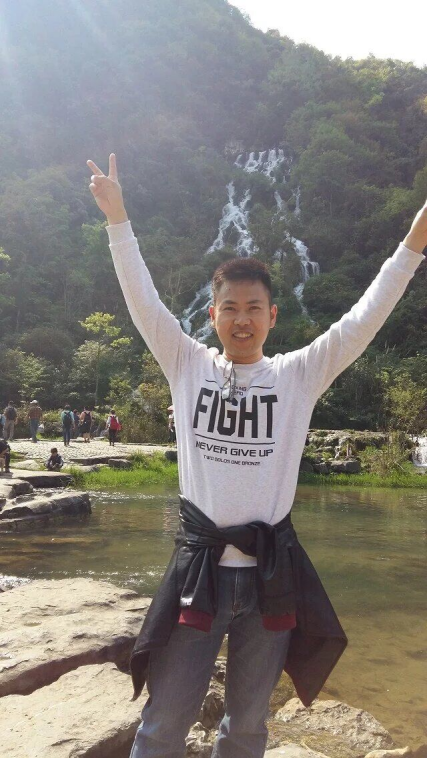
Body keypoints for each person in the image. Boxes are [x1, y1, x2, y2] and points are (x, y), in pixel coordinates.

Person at [87, 153, 426, 758]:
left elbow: (363, 319)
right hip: (199, 574)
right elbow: (142, 300)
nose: (241, 320)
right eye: (230, 308)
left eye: (253, 309)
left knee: (247, 728)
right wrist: (118, 220)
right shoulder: (185, 363)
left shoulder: (298, 375)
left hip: (270, 577)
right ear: (212, 314)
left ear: (272, 315)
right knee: (163, 725)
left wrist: (413, 245)